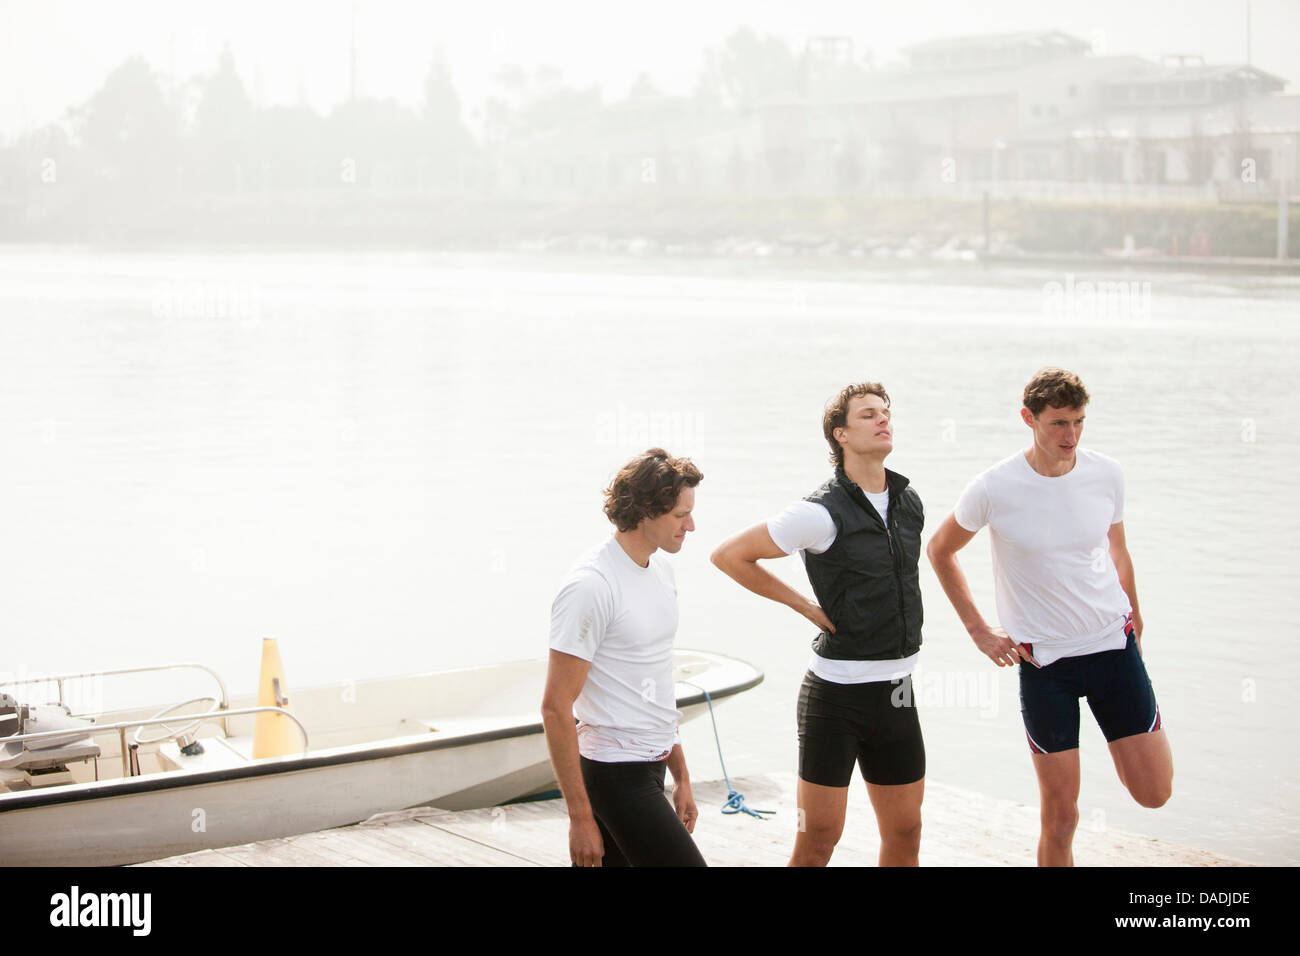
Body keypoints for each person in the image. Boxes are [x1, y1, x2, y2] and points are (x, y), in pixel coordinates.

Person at [926, 367, 1173, 867]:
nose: (1071, 435)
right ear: (1029, 418)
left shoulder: (1106, 474)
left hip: (1113, 646)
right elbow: (940, 550)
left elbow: (1118, 551)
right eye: (1059, 423)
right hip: (1045, 666)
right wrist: (978, 630)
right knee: (1061, 817)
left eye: (1079, 421)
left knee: (1154, 793)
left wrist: (1137, 620)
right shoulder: (994, 487)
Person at [711, 383, 925, 866]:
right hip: (836, 697)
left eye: (886, 413)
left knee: (907, 830)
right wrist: (804, 606)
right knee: (820, 837)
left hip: (897, 690)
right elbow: (730, 556)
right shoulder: (819, 512)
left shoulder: (909, 502)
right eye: (869, 415)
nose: (883, 420)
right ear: (841, 434)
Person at [541, 448, 707, 867]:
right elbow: (555, 708)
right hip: (613, 774)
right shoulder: (591, 586)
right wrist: (580, 819)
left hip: (652, 766)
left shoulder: (660, 571)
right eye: (679, 515)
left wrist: (681, 775)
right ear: (645, 511)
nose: (691, 525)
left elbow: (655, 683)